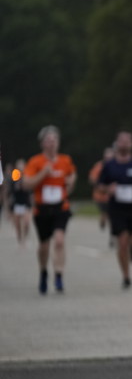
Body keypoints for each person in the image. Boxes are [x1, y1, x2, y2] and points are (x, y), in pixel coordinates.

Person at [22, 126, 77, 294]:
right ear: (42, 143)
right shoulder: (35, 162)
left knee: (59, 240)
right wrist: (44, 173)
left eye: (54, 140)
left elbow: (72, 176)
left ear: (58, 143)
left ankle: (59, 274)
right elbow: (26, 184)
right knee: (44, 245)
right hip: (42, 209)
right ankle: (43, 271)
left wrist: (71, 182)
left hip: (61, 207)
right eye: (48, 140)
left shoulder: (65, 160)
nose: (52, 143)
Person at [98, 131, 132, 289]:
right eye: (122, 141)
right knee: (122, 242)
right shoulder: (109, 165)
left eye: (127, 141)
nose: (124, 144)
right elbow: (100, 186)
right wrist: (108, 189)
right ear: (117, 143)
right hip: (117, 209)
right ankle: (126, 276)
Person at [88, 147, 114, 236]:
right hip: (100, 196)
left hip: (112, 196)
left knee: (112, 215)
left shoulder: (116, 166)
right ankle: (103, 222)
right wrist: (100, 186)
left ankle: (113, 233)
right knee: (105, 213)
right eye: (107, 157)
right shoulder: (99, 166)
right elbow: (92, 179)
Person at [8, 158, 32, 246]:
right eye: (19, 166)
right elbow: (11, 191)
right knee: (18, 225)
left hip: (26, 203)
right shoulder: (14, 178)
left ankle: (25, 238)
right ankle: (20, 239)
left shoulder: (27, 176)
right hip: (17, 203)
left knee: (26, 223)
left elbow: (31, 190)